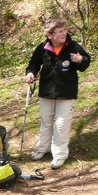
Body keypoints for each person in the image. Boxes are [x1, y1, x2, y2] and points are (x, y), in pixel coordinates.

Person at [25, 17, 91, 169]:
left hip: (66, 92)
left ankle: (59, 155)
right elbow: (33, 64)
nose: (63, 34)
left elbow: (85, 63)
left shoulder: (73, 46)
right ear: (49, 35)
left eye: (64, 30)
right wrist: (30, 73)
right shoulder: (42, 48)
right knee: (46, 122)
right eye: (59, 31)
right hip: (46, 92)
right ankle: (43, 149)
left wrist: (80, 59)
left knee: (61, 125)